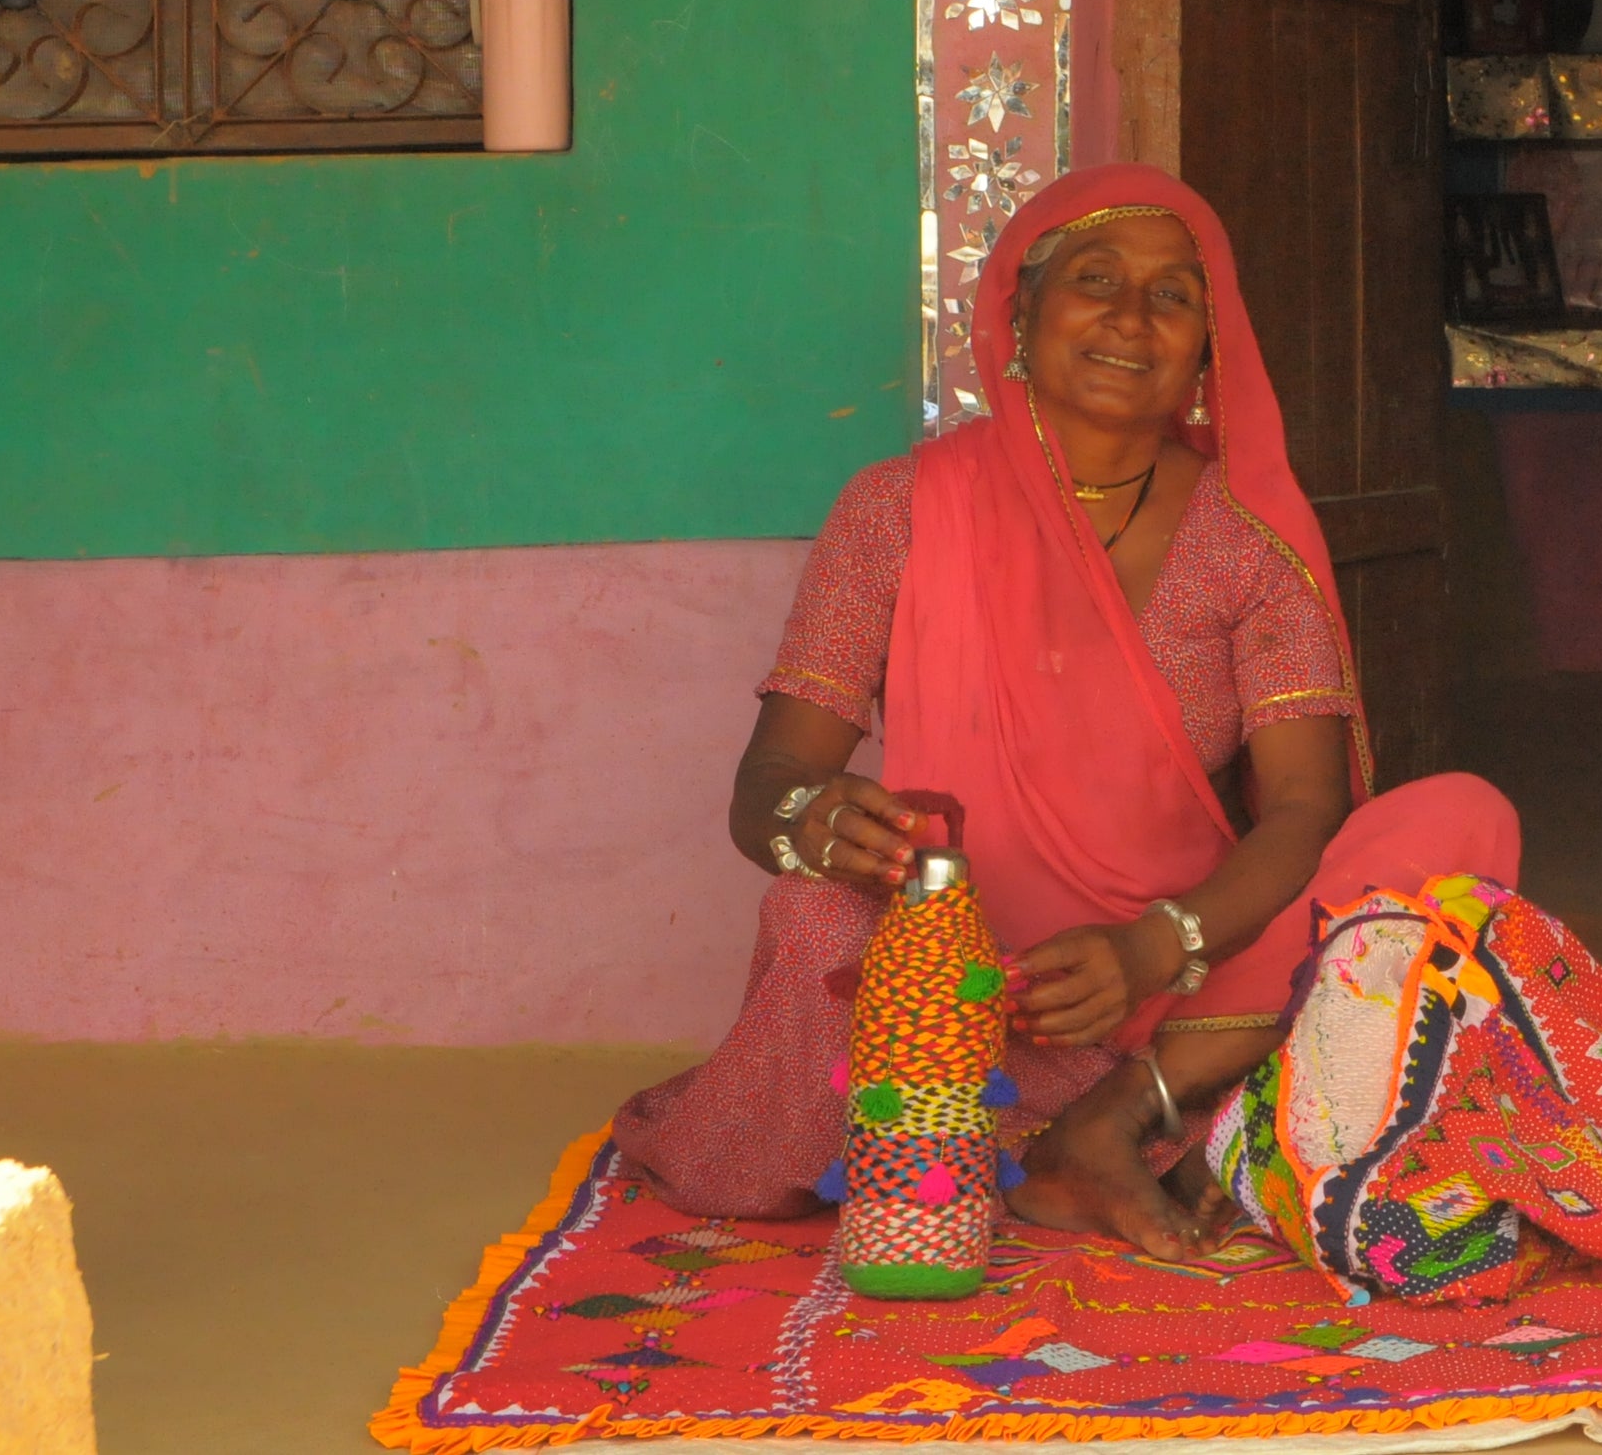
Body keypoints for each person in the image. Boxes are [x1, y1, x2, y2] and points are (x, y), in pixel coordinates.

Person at [614, 165, 1519, 1257]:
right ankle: (1079, 1126)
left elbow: (1303, 810)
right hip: (947, 978)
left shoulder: (1247, 539)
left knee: (1459, 822)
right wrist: (808, 821)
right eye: (1095, 280)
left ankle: (1112, 1116)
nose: (1132, 319)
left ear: (1206, 347)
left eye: (1174, 296)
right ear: (1020, 312)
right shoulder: (897, 512)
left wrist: (1153, 948)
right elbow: (767, 785)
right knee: (812, 919)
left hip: (1180, 983)